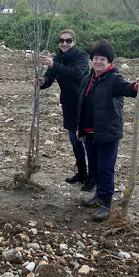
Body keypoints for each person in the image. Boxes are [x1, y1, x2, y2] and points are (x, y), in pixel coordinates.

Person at [76, 41, 139, 222]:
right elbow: (82, 106)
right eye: (96, 59)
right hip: (90, 132)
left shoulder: (114, 78)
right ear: (91, 60)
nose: (98, 62)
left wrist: (137, 85)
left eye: (102, 59)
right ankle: (99, 195)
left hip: (107, 132)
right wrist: (80, 129)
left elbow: (128, 89)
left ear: (109, 62)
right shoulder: (87, 77)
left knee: (106, 168)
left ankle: (107, 203)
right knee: (94, 167)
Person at [34, 29, 92, 190]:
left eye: (68, 41)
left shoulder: (81, 56)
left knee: (87, 142)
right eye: (61, 41)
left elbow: (76, 73)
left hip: (84, 104)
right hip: (69, 104)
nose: (64, 44)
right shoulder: (58, 57)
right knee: (75, 141)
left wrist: (54, 64)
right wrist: (42, 81)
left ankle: (92, 178)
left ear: (74, 41)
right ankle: (82, 173)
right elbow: (50, 76)